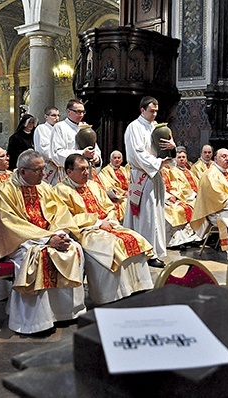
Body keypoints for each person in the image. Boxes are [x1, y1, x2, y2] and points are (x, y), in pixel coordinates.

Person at [0, 150, 85, 334]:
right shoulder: (5, 191)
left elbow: (59, 213)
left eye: (43, 169)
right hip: (16, 243)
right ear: (23, 171)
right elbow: (9, 225)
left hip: (46, 237)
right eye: (39, 170)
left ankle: (65, 313)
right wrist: (47, 239)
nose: (44, 174)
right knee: (40, 256)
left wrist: (59, 234)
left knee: (74, 248)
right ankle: (35, 322)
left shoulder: (43, 188)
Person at [54, 154, 153, 304]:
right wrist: (98, 224)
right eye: (81, 169)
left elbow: (109, 207)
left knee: (134, 238)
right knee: (112, 247)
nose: (86, 173)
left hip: (108, 225)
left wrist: (109, 219)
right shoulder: (60, 190)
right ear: (69, 172)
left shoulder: (93, 185)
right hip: (85, 230)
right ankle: (111, 295)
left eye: (87, 169)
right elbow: (65, 219)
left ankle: (137, 286)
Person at [123, 96, 175, 268]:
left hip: (155, 176)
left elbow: (164, 149)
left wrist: (171, 149)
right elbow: (137, 153)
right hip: (142, 176)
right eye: (151, 111)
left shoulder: (156, 127)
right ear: (142, 110)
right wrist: (158, 163)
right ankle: (144, 251)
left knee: (156, 213)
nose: (154, 114)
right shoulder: (134, 127)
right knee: (146, 215)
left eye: (156, 111)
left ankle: (155, 250)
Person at [191, 148, 228, 257]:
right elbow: (218, 198)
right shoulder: (210, 175)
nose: (227, 159)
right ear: (215, 158)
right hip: (216, 211)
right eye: (223, 156)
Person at [47, 99, 101, 183]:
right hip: (68, 175)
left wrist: (96, 158)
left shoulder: (85, 127)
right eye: (78, 112)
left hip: (87, 174)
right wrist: (82, 153)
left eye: (83, 112)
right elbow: (57, 154)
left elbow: (95, 149)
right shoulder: (60, 127)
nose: (82, 115)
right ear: (68, 112)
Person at [99, 150, 130, 221]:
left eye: (119, 158)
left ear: (122, 160)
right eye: (115, 158)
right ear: (110, 159)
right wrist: (123, 193)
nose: (117, 160)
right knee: (125, 203)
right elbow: (108, 186)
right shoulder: (106, 171)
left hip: (128, 194)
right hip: (117, 197)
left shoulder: (124, 170)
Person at [34, 106, 61, 185]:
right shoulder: (41, 128)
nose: (57, 118)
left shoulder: (59, 130)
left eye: (58, 115)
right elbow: (43, 149)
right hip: (49, 165)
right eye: (53, 115)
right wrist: (58, 158)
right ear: (46, 116)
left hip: (59, 165)